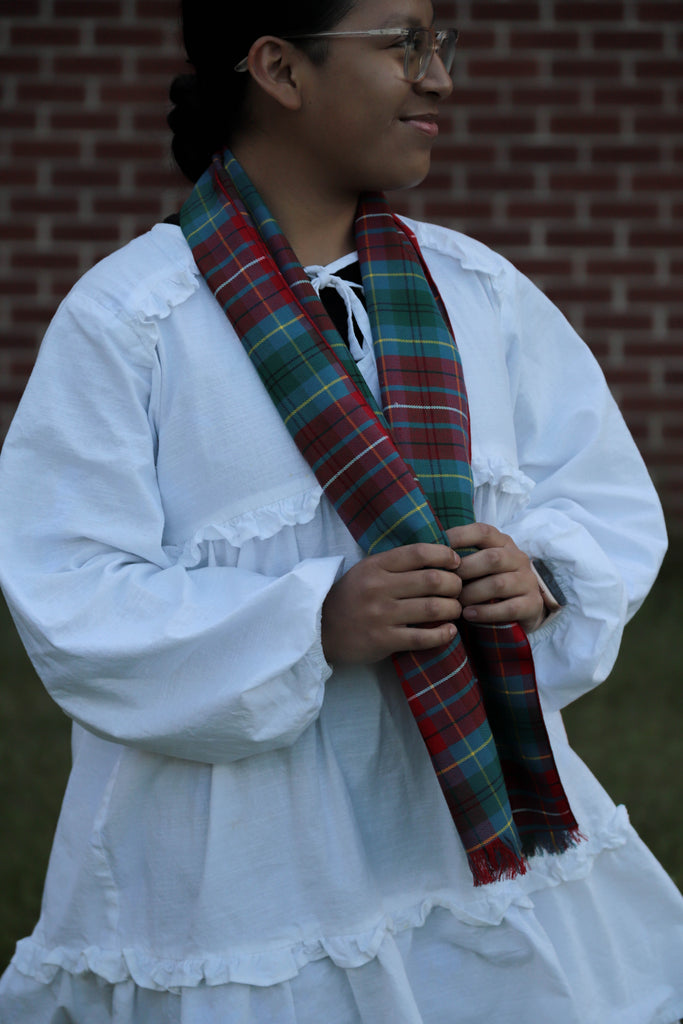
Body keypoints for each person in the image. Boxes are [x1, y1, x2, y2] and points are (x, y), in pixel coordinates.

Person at [0, 0, 682, 1020]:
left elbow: (600, 494)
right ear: (280, 69)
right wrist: (313, 620)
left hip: (459, 825)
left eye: (437, 44)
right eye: (403, 44)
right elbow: (69, 589)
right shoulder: (133, 319)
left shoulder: (478, 292)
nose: (438, 77)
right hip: (245, 859)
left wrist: (537, 576)